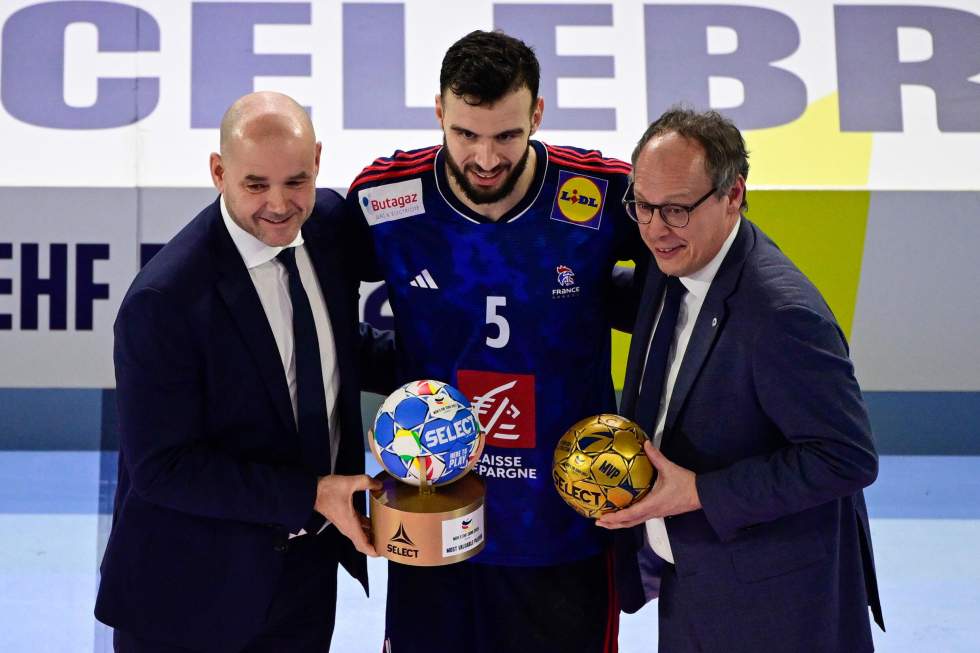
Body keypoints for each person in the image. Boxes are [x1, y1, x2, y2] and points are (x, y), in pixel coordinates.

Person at [346, 30, 644, 653]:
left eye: (507, 135)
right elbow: (308, 310)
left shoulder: (602, 194)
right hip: (432, 517)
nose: (485, 157)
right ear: (439, 114)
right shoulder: (383, 200)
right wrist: (382, 359)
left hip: (563, 524)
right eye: (465, 134)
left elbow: (693, 273)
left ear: (538, 113)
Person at [95, 91, 394, 652]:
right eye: (255, 185)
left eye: (295, 182)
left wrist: (448, 361)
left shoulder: (327, 224)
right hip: (191, 594)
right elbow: (163, 467)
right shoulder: (164, 300)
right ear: (218, 171)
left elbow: (331, 348)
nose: (279, 205)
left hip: (306, 577)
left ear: (318, 163)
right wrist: (313, 492)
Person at [597, 108, 885, 652]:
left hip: (775, 605)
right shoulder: (675, 262)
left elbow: (846, 457)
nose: (656, 229)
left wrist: (700, 491)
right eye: (643, 205)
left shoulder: (781, 316)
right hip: (697, 580)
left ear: (733, 196)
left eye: (676, 209)